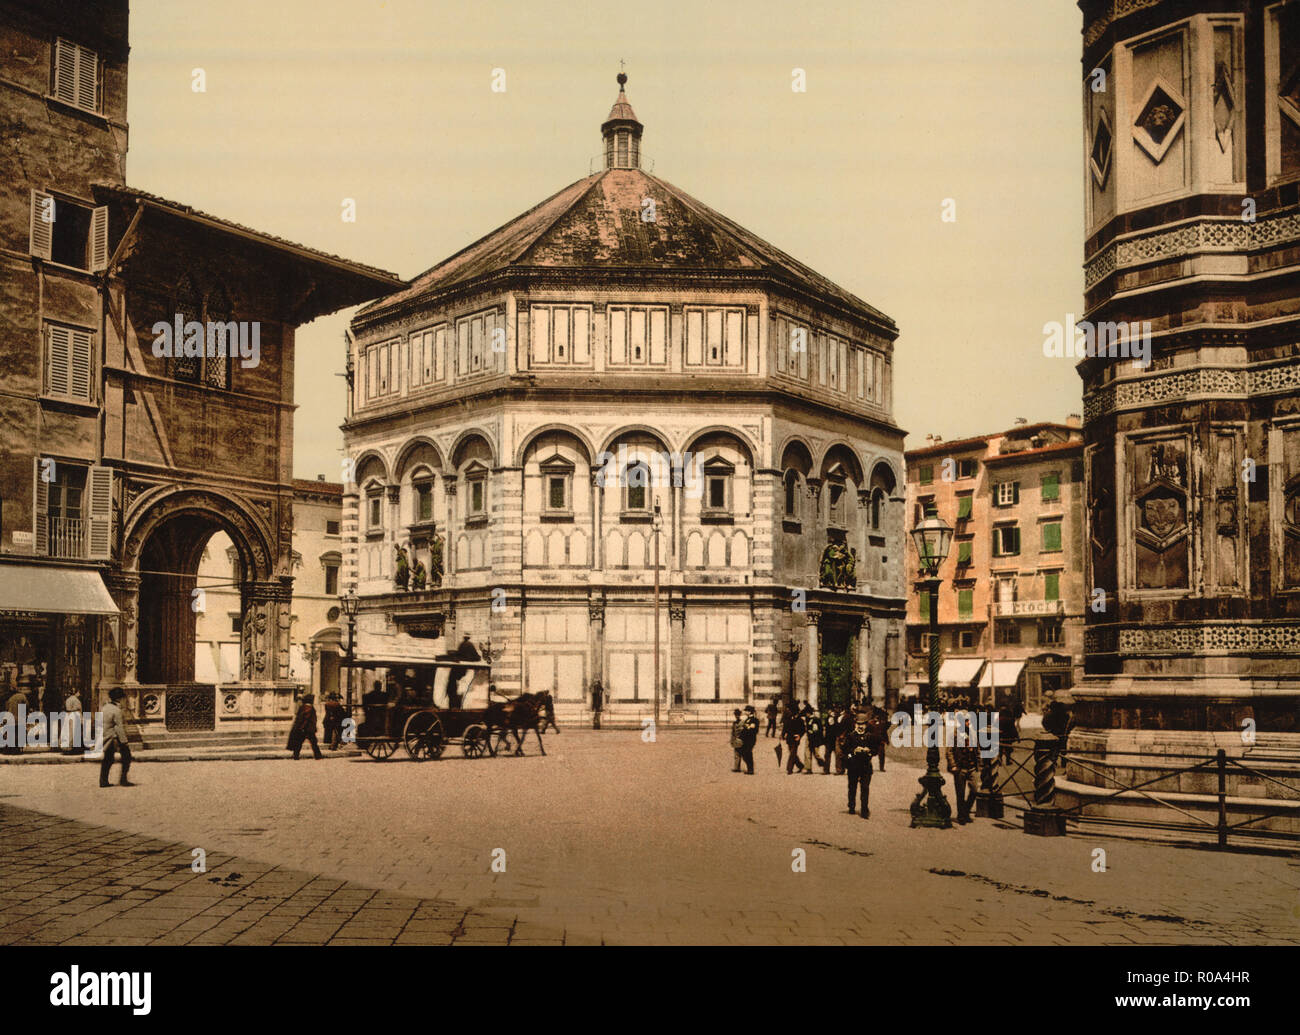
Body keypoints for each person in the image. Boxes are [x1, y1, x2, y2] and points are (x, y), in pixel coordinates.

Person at [946, 699, 979, 824]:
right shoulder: (954, 734)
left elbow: (977, 749)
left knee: (975, 790)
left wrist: (978, 764)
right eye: (966, 720)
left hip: (971, 767)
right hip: (960, 767)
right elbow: (949, 752)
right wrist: (953, 765)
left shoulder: (972, 733)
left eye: (969, 720)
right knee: (960, 794)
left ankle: (965, 811)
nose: (968, 722)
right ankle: (962, 816)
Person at [841, 709, 876, 818]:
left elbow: (875, 749)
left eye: (863, 724)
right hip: (853, 766)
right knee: (852, 787)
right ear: (855, 724)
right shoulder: (851, 736)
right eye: (858, 724)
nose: (860, 726)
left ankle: (864, 809)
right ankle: (851, 806)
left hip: (866, 766)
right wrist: (854, 751)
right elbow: (845, 750)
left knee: (865, 788)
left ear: (866, 725)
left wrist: (869, 751)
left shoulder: (870, 736)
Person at [100, 688, 133, 787]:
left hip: (105, 736)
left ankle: (103, 781)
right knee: (127, 757)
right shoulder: (117, 710)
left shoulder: (105, 707)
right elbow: (119, 727)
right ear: (120, 699)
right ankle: (123, 780)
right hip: (114, 737)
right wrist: (124, 741)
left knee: (107, 759)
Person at [288, 694, 323, 760]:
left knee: (299, 742)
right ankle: (318, 756)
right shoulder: (311, 708)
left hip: (303, 728)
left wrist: (300, 727)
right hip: (308, 729)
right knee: (314, 743)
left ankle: (296, 755)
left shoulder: (302, 707)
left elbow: (299, 718)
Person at [3, 684, 28, 755]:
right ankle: (16, 749)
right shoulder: (22, 697)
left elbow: (6, 708)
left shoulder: (9, 699)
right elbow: (26, 706)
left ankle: (10, 749)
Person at [782, 703, 806, 774]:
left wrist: (799, 736)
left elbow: (803, 730)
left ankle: (789, 769)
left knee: (792, 753)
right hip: (789, 738)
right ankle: (801, 766)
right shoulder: (788, 718)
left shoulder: (800, 720)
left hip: (795, 738)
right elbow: (785, 727)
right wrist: (783, 735)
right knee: (793, 753)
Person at [802, 703, 824, 775]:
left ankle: (824, 764)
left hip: (815, 738)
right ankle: (808, 768)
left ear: (808, 713)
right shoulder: (808, 719)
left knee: (816, 754)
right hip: (809, 738)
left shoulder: (816, 720)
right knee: (807, 753)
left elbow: (818, 730)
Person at [60, 688, 84, 755]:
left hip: (68, 715)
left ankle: (66, 747)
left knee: (67, 732)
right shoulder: (76, 700)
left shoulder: (68, 699)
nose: (79, 694)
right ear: (76, 693)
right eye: (78, 692)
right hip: (75, 715)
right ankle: (73, 748)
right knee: (74, 732)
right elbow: (78, 710)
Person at [738, 704, 759, 775]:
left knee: (748, 753)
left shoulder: (754, 720)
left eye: (746, 711)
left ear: (750, 712)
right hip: (745, 740)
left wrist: (747, 727)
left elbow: (753, 730)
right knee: (744, 753)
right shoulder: (747, 719)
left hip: (750, 740)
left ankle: (751, 769)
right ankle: (749, 768)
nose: (745, 712)